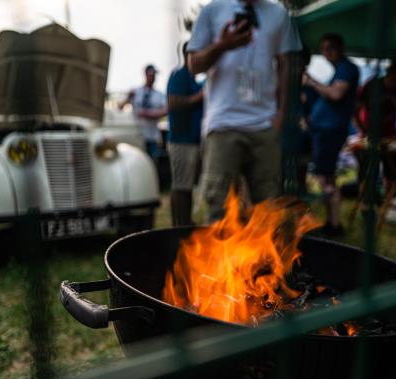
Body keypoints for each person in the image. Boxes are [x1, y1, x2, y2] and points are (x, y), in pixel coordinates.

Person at [187, 0, 302, 222]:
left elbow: (286, 64)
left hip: (265, 125)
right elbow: (193, 65)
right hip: (222, 124)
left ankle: (262, 258)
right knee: (218, 207)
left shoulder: (278, 13)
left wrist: (281, 113)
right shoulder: (213, 10)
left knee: (268, 208)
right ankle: (219, 257)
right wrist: (223, 45)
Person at [303, 33, 359, 236]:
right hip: (323, 131)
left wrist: (311, 83)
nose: (327, 52)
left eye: (331, 47)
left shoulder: (347, 68)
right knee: (325, 176)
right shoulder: (338, 71)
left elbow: (336, 94)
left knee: (325, 178)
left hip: (329, 131)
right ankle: (331, 222)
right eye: (324, 48)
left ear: (340, 47)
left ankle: (334, 225)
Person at [354, 60, 396, 192]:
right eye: (393, 78)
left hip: (390, 136)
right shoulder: (371, 85)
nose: (395, 83)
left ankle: (389, 201)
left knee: (392, 172)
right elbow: (354, 110)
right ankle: (365, 203)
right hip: (368, 136)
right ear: (388, 74)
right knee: (366, 171)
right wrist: (362, 130)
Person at [166, 42, 204, 226]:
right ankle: (178, 224)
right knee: (180, 186)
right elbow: (173, 103)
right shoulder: (179, 75)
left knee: (186, 186)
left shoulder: (193, 79)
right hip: (181, 141)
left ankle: (185, 222)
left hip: (191, 140)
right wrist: (199, 97)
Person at [120, 65, 167, 162]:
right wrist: (128, 97)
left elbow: (165, 111)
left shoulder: (159, 95)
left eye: (154, 75)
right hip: (137, 135)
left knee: (152, 163)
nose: (153, 77)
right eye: (151, 74)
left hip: (152, 137)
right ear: (145, 74)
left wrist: (148, 114)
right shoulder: (136, 91)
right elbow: (120, 107)